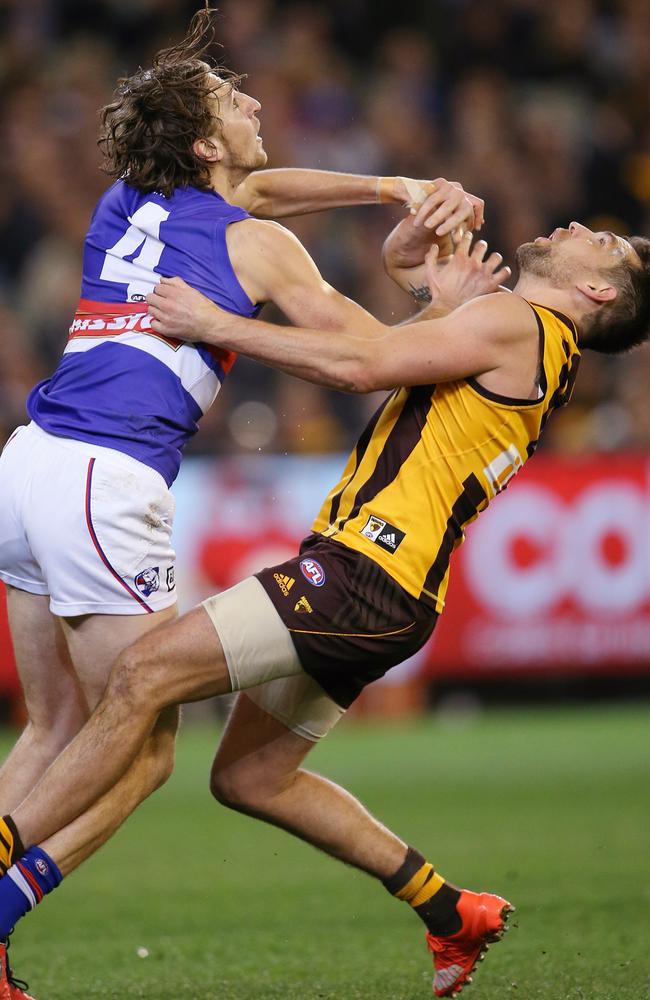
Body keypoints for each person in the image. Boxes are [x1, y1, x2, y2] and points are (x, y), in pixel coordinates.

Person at [6, 216, 648, 997]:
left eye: (604, 242)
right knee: (250, 778)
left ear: (598, 289)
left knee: (141, 676)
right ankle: (450, 910)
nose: (581, 226)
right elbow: (398, 356)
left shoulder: (522, 322)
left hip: (363, 573)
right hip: (392, 594)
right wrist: (421, 288)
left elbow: (360, 365)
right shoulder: (534, 340)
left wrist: (218, 323)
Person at [0, 7, 483, 997]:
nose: (256, 100)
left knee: (52, 728)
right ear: (207, 141)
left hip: (28, 462)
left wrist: (394, 185)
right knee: (141, 747)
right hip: (106, 475)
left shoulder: (128, 200)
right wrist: (444, 299)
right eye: (232, 98)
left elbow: (261, 186)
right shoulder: (256, 250)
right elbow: (367, 358)